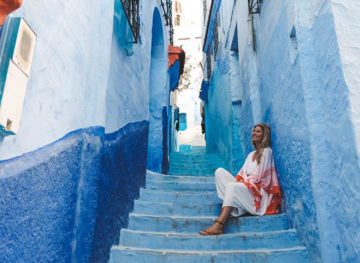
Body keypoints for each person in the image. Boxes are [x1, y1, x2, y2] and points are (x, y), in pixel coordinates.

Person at [199, 123, 281, 235]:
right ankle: (234, 205)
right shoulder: (251, 154)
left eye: (258, 131)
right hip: (247, 188)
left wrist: (244, 182)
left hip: (258, 194)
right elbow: (241, 174)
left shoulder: (267, 152)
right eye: (253, 131)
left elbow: (260, 178)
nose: (254, 133)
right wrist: (243, 181)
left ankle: (220, 224)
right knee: (219, 172)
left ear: (264, 135)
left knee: (232, 186)